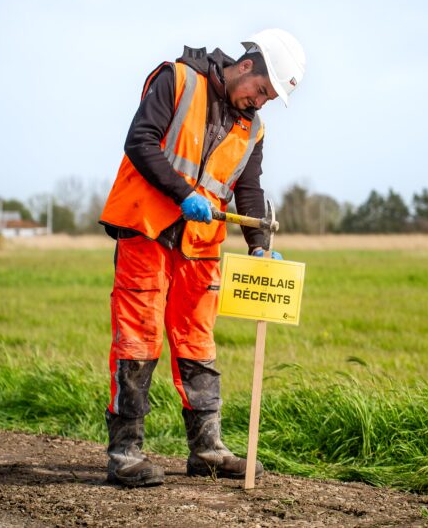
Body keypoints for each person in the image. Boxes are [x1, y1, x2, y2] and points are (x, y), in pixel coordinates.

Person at [98, 29, 306, 487]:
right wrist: (183, 193)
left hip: (199, 246)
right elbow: (140, 142)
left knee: (198, 343)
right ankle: (125, 454)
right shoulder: (177, 80)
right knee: (138, 339)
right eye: (261, 91)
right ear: (246, 66)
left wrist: (258, 246)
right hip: (147, 230)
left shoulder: (254, 128)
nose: (260, 102)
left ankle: (208, 450)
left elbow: (248, 189)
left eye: (269, 99)